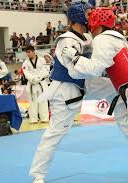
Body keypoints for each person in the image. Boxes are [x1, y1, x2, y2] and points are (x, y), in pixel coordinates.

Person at [62, 7, 128, 183]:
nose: (88, 24)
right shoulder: (114, 37)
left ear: (97, 23)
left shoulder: (103, 40)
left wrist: (76, 58)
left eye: (91, 21)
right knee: (122, 117)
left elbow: (95, 69)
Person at [29, 2, 93, 183]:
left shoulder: (87, 37)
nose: (91, 16)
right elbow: (76, 69)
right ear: (78, 16)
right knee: (55, 134)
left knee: (119, 93)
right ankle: (38, 175)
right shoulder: (66, 40)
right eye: (88, 13)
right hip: (64, 90)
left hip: (84, 84)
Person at [22, 45, 49, 124]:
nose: (28, 54)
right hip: (32, 83)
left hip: (42, 83)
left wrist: (39, 78)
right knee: (32, 102)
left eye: (29, 52)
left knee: (43, 101)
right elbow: (26, 73)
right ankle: (33, 119)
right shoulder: (25, 63)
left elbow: (45, 70)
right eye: (26, 52)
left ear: (34, 51)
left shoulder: (42, 60)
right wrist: (33, 79)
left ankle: (44, 118)